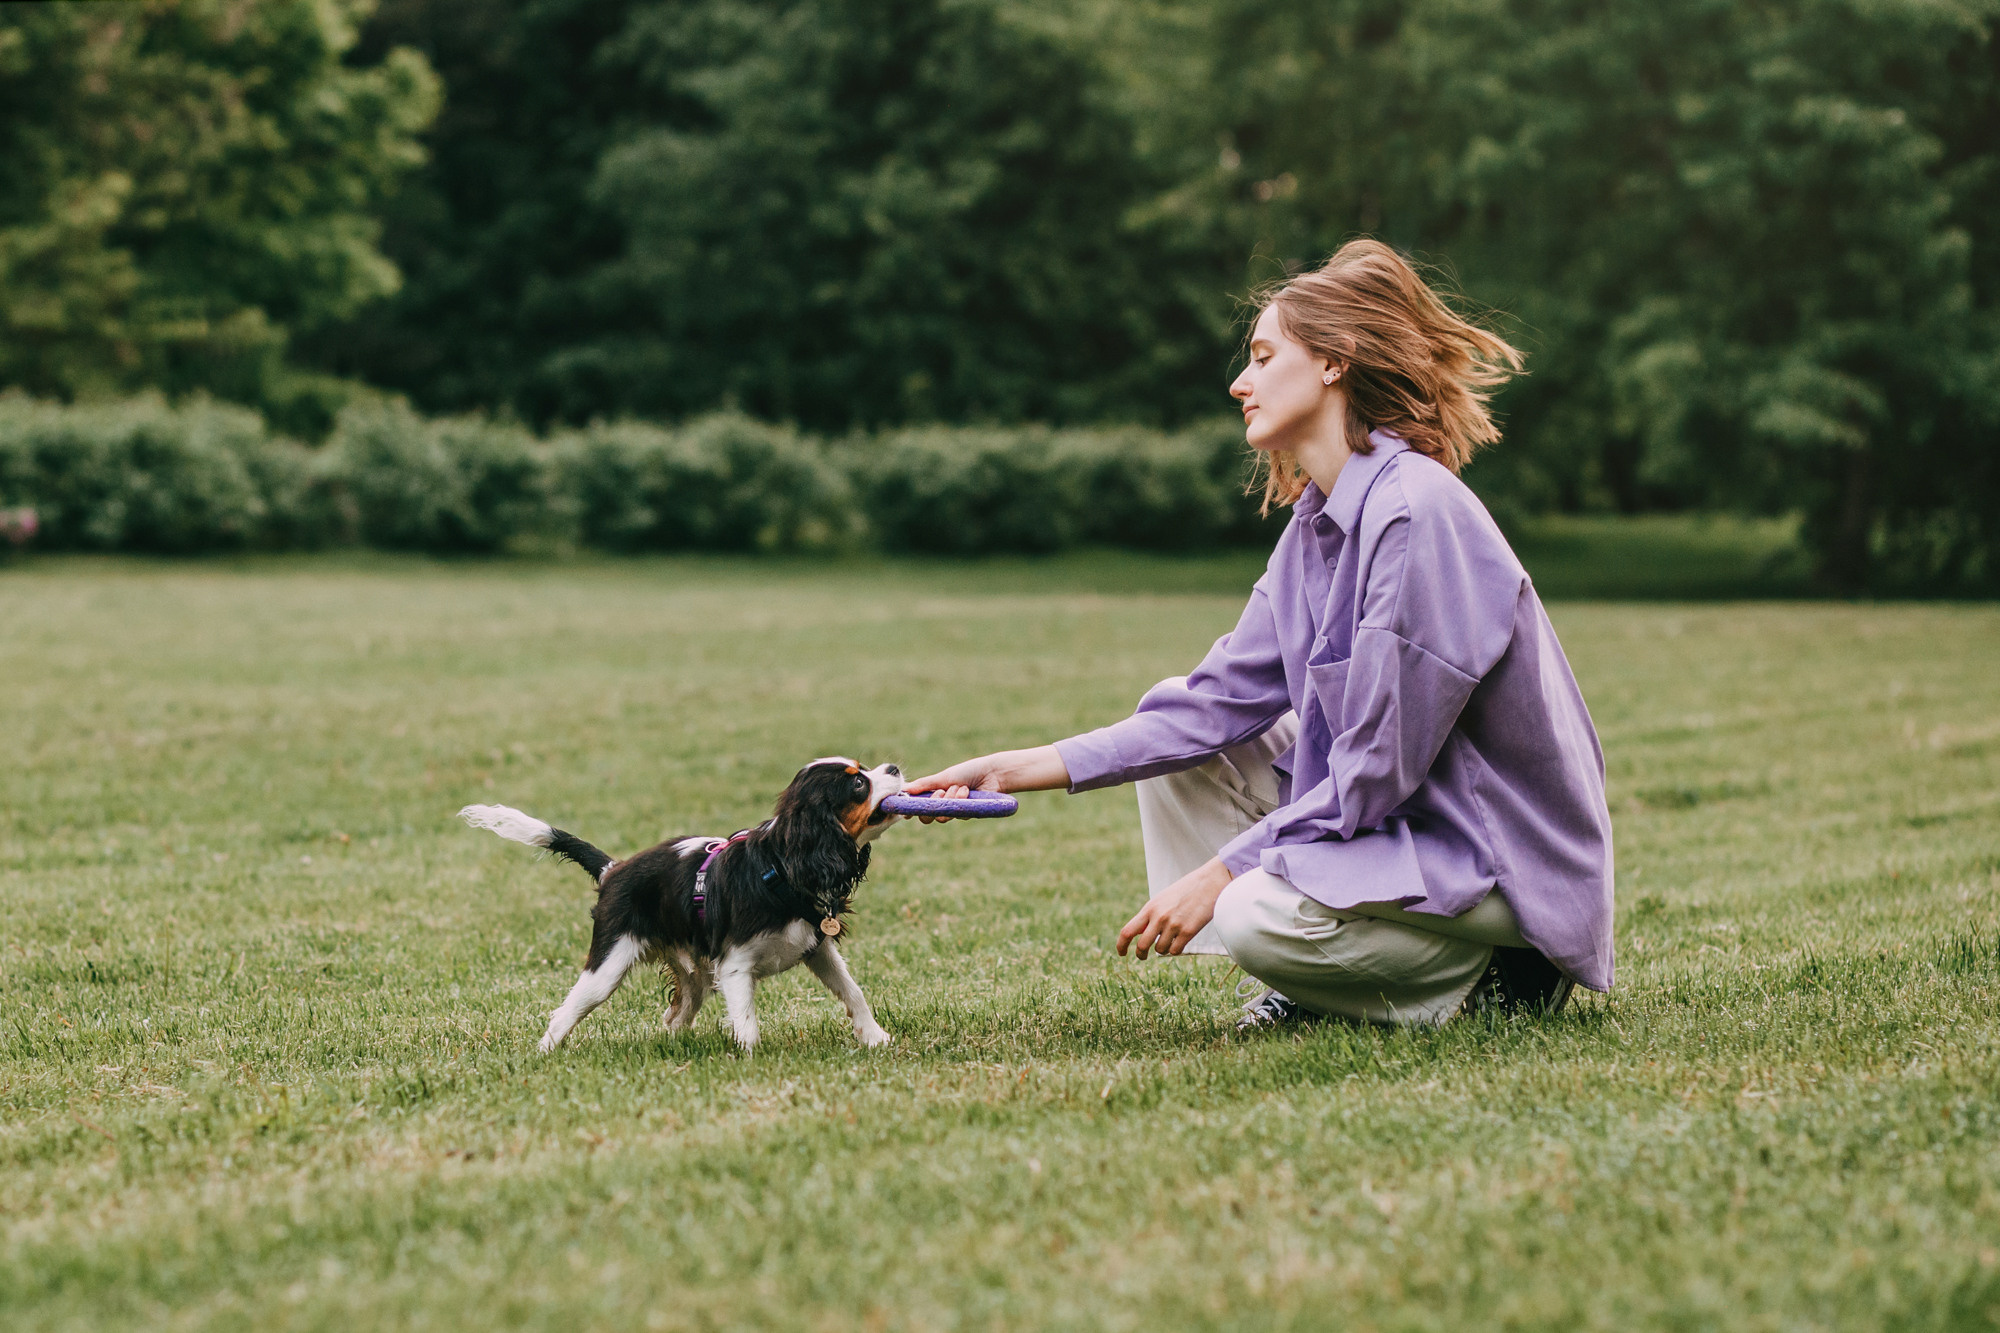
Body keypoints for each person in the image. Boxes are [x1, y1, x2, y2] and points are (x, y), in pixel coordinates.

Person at [907, 239, 1614, 1032]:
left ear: (1334, 362)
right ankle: (1336, 976)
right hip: (1414, 832)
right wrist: (1009, 768)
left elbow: (1373, 771)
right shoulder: (1317, 524)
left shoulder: (1415, 512)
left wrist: (1225, 871)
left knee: (1247, 910)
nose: (1239, 382)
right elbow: (1207, 707)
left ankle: (1506, 973)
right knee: (1178, 735)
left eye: (1264, 356)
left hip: (1498, 864)